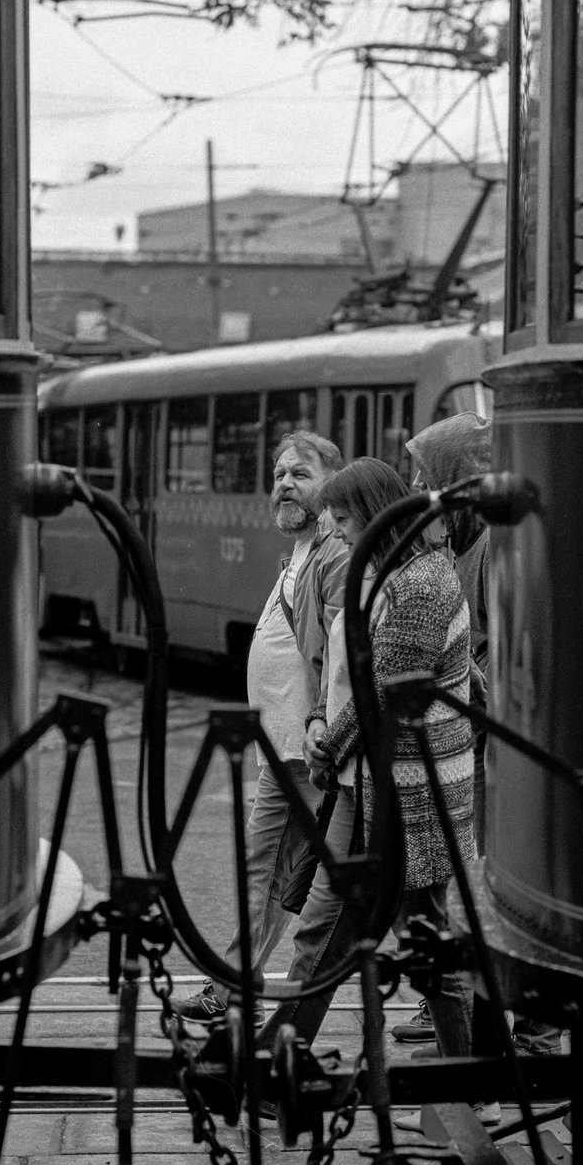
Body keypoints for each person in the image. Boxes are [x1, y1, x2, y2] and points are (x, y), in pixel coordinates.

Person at [259, 456, 478, 1068]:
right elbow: (352, 679)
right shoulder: (393, 574)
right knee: (329, 923)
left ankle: (469, 1078)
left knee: (424, 936)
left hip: (412, 794)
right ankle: (286, 1044)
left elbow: (385, 688)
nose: (340, 532)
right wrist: (321, 727)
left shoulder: (424, 584)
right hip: (374, 786)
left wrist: (328, 746)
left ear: (374, 515)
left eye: (345, 519)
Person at [169, 429, 346, 1027]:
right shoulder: (298, 553)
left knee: (282, 876)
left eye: (299, 474)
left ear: (331, 484)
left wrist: (324, 728)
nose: (284, 486)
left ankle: (232, 988)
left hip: (307, 750)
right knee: (273, 876)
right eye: (278, 475)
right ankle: (233, 984)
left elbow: (342, 659)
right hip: (285, 749)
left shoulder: (331, 556)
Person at [390, 413, 492, 1046]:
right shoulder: (464, 546)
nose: (419, 490)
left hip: (478, 745)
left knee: (465, 882)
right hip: (470, 739)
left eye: (428, 476)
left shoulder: (488, 551)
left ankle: (491, 1028)